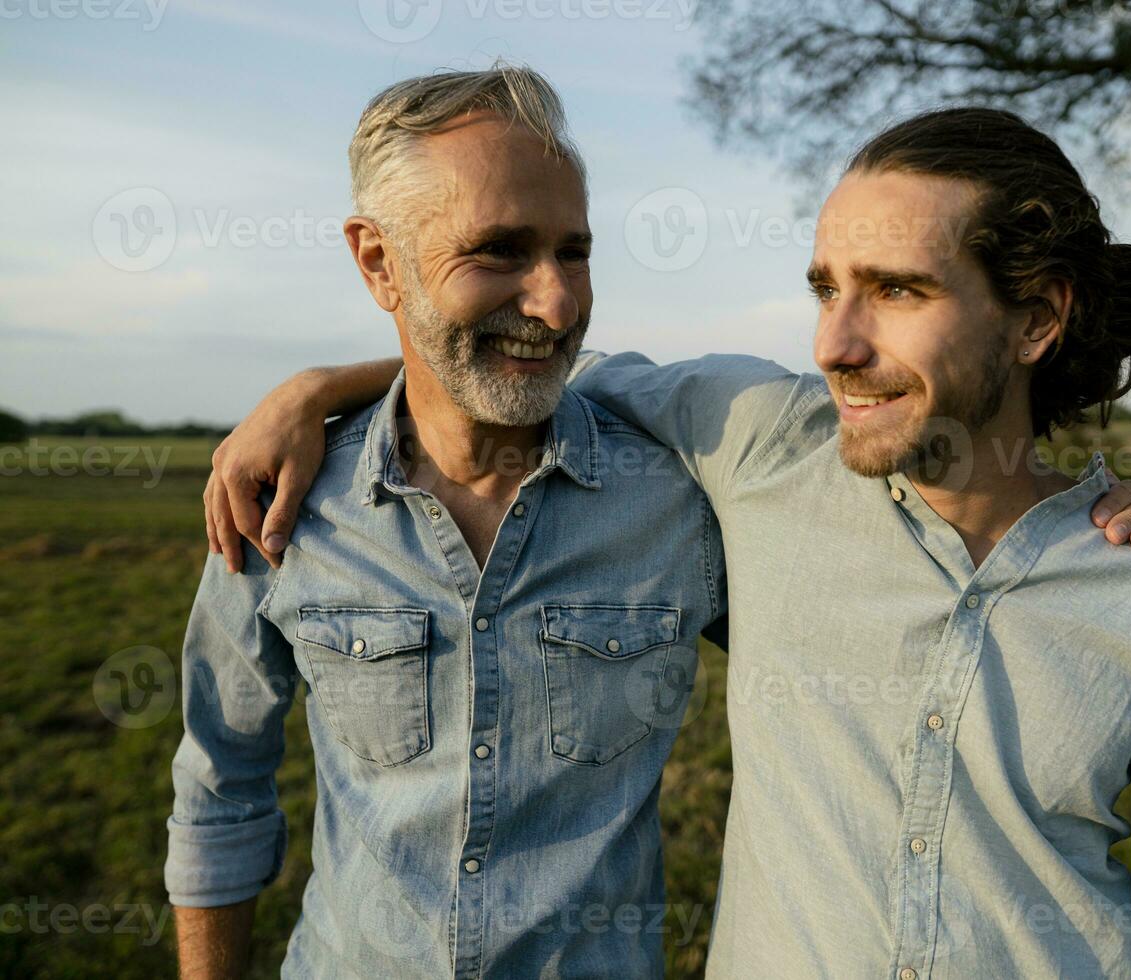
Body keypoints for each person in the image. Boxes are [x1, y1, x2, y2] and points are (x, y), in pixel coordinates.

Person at [208, 92, 1131, 978]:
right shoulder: (761, 447)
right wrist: (315, 391)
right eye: (826, 287)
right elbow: (510, 361)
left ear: (1036, 317)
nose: (834, 341)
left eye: (896, 290)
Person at [167, 67, 725, 978]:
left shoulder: (676, 508)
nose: (557, 303)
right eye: (500, 250)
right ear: (378, 262)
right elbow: (219, 785)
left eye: (574, 252)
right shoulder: (282, 504)